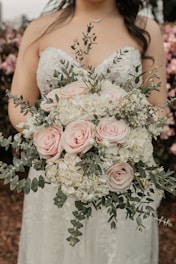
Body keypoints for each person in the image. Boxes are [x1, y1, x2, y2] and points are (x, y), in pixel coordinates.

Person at [8, 0, 167, 263]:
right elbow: (18, 105)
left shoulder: (146, 29)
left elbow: (158, 109)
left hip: (122, 176)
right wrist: (58, 141)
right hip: (56, 175)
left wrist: (117, 142)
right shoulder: (40, 28)